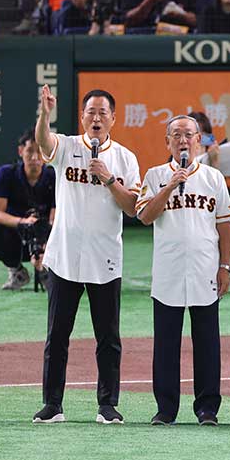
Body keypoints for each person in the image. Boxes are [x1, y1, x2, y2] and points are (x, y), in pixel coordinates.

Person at [32, 85, 141, 425]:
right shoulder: (66, 146)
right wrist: (45, 114)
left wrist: (109, 180)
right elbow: (43, 142)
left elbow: (132, 208)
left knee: (108, 338)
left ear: (113, 119)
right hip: (64, 256)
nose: (96, 118)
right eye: (90, 112)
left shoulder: (124, 158)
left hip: (105, 259)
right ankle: (52, 404)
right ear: (82, 117)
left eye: (102, 113)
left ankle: (107, 405)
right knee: (57, 335)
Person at [136, 115, 230, 426]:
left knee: (207, 342)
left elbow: (224, 225)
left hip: (205, 267)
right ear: (167, 142)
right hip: (168, 270)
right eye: (176, 135)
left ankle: (207, 408)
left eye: (189, 135)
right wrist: (169, 187)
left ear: (199, 140)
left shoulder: (212, 178)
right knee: (166, 344)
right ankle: (166, 409)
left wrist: (224, 265)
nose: (183, 140)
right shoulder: (154, 176)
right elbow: (145, 216)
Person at [0, 130, 55, 291]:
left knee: (67, 230)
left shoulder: (54, 176)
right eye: (30, 151)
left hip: (45, 236)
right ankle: (17, 272)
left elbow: (56, 215)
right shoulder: (6, 173)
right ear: (20, 152)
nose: (34, 157)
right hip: (16, 236)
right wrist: (23, 223)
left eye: (39, 151)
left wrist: (45, 240)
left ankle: (48, 270)